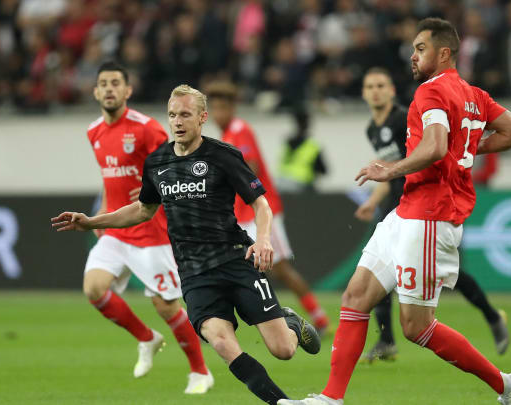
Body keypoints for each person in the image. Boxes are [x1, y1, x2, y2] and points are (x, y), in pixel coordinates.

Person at [279, 18, 511, 405]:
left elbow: (432, 147)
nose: (413, 56)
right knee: (356, 295)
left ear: (443, 52)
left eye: (420, 48)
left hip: (430, 215)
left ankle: (506, 385)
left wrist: (390, 169)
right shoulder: (474, 95)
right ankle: (331, 398)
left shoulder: (431, 91)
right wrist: (466, 148)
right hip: (407, 212)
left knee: (416, 327)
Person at [52, 84, 321, 405]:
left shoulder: (223, 155)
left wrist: (263, 239)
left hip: (236, 261)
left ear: (202, 118)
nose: (177, 121)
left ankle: (290, 322)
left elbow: (260, 203)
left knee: (283, 350)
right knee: (221, 342)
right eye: (172, 115)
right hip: (195, 274)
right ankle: (282, 403)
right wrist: (92, 221)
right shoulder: (157, 163)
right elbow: (142, 209)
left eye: (185, 114)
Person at [355, 67, 510, 363]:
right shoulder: (371, 129)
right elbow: (389, 169)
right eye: (369, 86)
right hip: (398, 204)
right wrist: (373, 200)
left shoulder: (403, 118)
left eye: (380, 85)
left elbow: (423, 153)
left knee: (450, 276)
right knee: (382, 270)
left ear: (390, 91)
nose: (375, 90)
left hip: (424, 203)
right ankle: (386, 339)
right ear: (363, 93)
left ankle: (491, 315)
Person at [76, 62, 212, 394]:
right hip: (117, 230)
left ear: (127, 91)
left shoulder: (146, 128)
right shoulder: (93, 131)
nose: (109, 88)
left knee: (166, 306)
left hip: (151, 230)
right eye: (103, 83)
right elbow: (111, 179)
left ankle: (200, 372)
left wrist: (159, 188)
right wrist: (105, 211)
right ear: (95, 92)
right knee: (94, 288)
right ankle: (146, 338)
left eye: (115, 83)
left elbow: (175, 162)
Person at [205, 80, 330, 335]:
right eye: (214, 109)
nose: (218, 114)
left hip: (261, 211)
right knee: (237, 266)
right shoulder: (228, 134)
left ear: (232, 107)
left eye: (222, 108)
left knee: (280, 269)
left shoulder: (239, 130)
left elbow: (251, 168)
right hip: (243, 213)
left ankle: (319, 319)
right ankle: (223, 319)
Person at [277, 109, 327, 192]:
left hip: (282, 181)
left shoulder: (287, 143)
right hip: (302, 185)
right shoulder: (312, 145)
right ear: (308, 124)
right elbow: (323, 170)